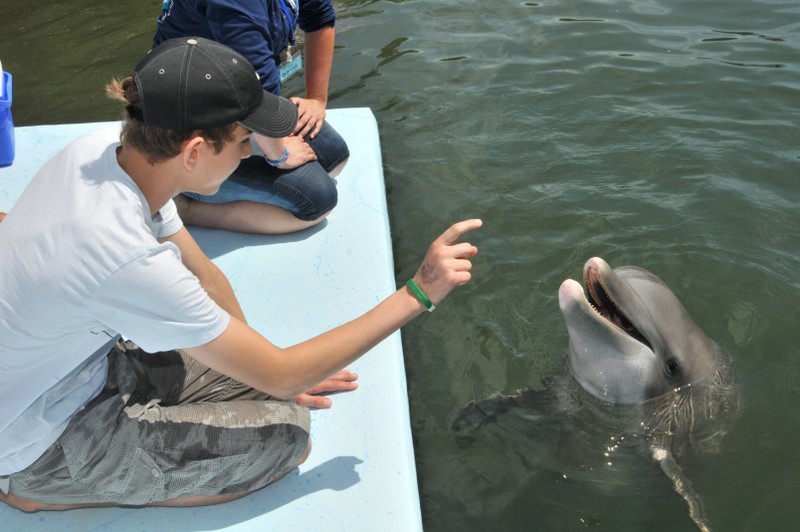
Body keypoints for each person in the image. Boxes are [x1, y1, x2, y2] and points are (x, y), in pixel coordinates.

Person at [0, 37, 481, 511]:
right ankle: (38, 489)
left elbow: (207, 276)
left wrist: (267, 375)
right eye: (243, 141)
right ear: (193, 152)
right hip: (37, 439)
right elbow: (285, 373)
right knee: (289, 441)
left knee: (277, 394)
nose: (250, 155)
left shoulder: (103, 151)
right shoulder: (125, 259)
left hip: (73, 369)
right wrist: (418, 291)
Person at [154, 0, 350, 235]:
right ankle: (184, 207)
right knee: (318, 201)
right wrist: (280, 154)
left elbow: (319, 17)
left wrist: (317, 100)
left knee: (334, 155)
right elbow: (256, 78)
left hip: (235, 106)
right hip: (189, 131)